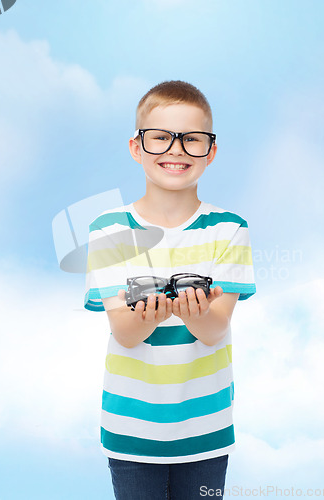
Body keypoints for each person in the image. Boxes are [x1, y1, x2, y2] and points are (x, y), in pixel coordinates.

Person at [84, 80, 256, 500]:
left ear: (210, 151)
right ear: (136, 147)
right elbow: (125, 333)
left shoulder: (229, 228)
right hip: (131, 429)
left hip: (206, 428)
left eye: (191, 139)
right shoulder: (109, 229)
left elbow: (214, 331)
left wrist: (195, 314)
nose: (176, 150)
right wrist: (160, 313)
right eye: (160, 137)